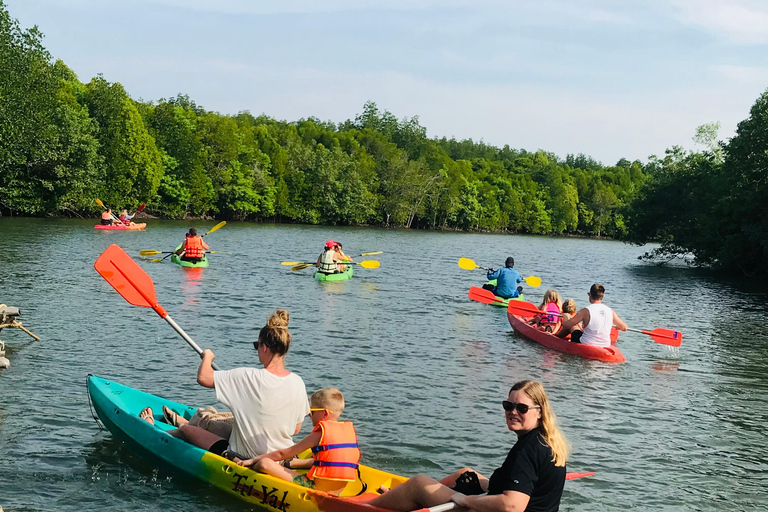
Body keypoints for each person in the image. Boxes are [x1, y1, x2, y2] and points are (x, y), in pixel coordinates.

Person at [367, 380, 569, 512]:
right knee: (465, 473)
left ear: (539, 412)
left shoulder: (527, 450)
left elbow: (513, 505)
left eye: (522, 408)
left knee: (419, 483)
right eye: (508, 406)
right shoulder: (548, 441)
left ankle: (360, 506)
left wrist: (465, 500)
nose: (513, 412)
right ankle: (410, 501)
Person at [139, 309, 310, 460]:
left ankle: (154, 432)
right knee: (227, 423)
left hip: (245, 457)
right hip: (281, 457)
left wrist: (207, 356)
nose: (257, 349)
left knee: (187, 431)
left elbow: (204, 377)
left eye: (256, 345)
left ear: (265, 347)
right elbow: (295, 429)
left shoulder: (248, 376)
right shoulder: (298, 382)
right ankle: (186, 421)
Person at [237, 387, 360, 495]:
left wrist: (253, 459)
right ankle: (293, 463)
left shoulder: (318, 435)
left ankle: (241, 463)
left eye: (312, 412)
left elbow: (282, 454)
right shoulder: (349, 432)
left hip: (316, 489)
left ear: (325, 414)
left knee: (264, 463)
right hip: (339, 491)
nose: (309, 416)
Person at [557, 284, 627, 345]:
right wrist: (618, 327)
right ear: (602, 297)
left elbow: (566, 325)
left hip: (586, 343)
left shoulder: (585, 311)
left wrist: (566, 316)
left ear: (590, 295)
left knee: (573, 326)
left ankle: (556, 337)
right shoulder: (610, 311)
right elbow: (624, 327)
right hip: (605, 344)